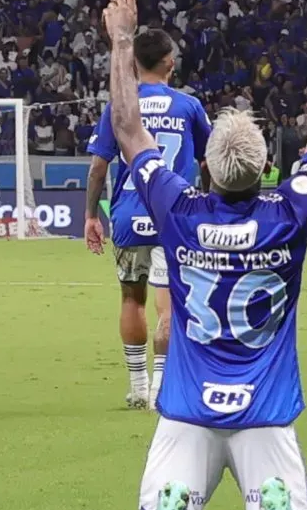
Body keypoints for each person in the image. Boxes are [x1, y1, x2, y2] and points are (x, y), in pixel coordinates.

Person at [101, 0, 307, 510]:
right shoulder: (290, 213)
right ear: (267, 166)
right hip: (264, 412)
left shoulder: (180, 210)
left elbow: (129, 129)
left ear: (206, 169)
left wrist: (121, 43)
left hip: (188, 407)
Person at [84, 28, 213, 411]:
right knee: (169, 306)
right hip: (173, 214)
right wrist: (205, 205)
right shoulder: (188, 107)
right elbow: (208, 163)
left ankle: (137, 386)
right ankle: (161, 389)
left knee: (131, 298)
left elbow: (97, 168)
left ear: (133, 62)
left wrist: (91, 216)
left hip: (127, 214)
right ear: (170, 62)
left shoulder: (120, 107)